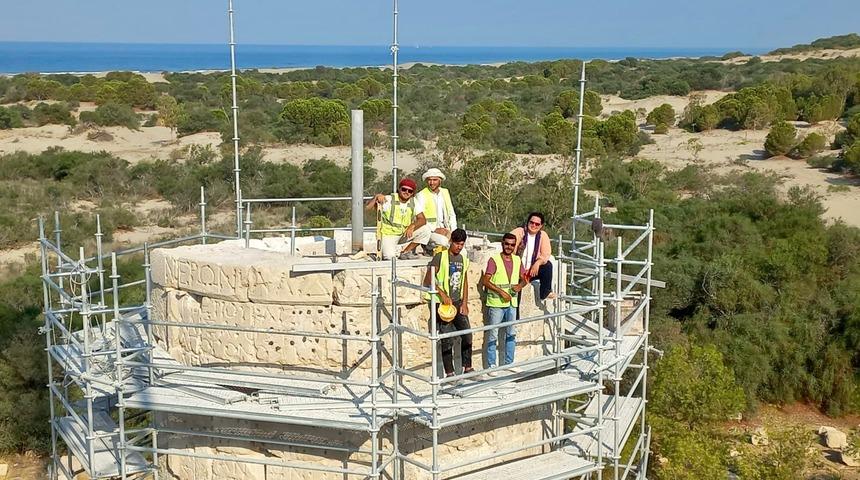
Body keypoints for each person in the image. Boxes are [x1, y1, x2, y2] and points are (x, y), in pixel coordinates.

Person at [423, 228, 473, 377]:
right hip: (443, 305)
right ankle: (450, 373)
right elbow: (428, 279)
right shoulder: (440, 257)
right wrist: (442, 294)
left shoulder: (463, 259)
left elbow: (464, 281)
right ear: (451, 242)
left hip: (458, 302)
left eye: (462, 244)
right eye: (457, 244)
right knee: (447, 338)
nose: (459, 247)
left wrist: (465, 302)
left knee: (467, 334)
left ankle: (468, 367)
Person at [481, 233, 528, 371]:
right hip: (496, 303)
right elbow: (485, 281)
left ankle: (509, 363)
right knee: (493, 335)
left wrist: (520, 286)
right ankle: (491, 365)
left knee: (511, 334)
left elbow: (525, 278)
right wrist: (501, 292)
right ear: (502, 243)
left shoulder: (517, 260)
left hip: (512, 303)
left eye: (512, 245)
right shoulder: (494, 260)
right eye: (507, 244)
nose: (509, 247)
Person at [365, 178, 428, 260]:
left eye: (410, 191)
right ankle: (385, 252)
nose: (406, 192)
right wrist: (376, 197)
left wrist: (412, 225)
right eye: (404, 189)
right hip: (388, 234)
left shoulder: (413, 202)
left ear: (413, 193)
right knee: (390, 258)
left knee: (426, 230)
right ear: (399, 189)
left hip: (404, 233)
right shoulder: (389, 199)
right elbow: (367, 208)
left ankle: (405, 252)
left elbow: (423, 219)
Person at [510, 212, 555, 300]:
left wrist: (537, 263)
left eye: (537, 224)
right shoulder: (519, 232)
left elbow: (545, 254)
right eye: (532, 222)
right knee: (515, 296)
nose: (534, 225)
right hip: (517, 269)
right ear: (528, 222)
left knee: (547, 266)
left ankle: (545, 292)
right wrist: (520, 268)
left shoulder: (542, 235)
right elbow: (509, 244)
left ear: (541, 226)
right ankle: (515, 308)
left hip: (531, 271)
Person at [414, 168, 457, 251]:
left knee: (459, 243)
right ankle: (428, 247)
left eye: (435, 180)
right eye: (429, 180)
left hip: (446, 229)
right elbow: (418, 218)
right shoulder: (421, 195)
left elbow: (451, 214)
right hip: (429, 231)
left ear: (440, 181)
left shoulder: (445, 192)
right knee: (444, 242)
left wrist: (454, 231)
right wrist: (435, 229)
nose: (432, 183)